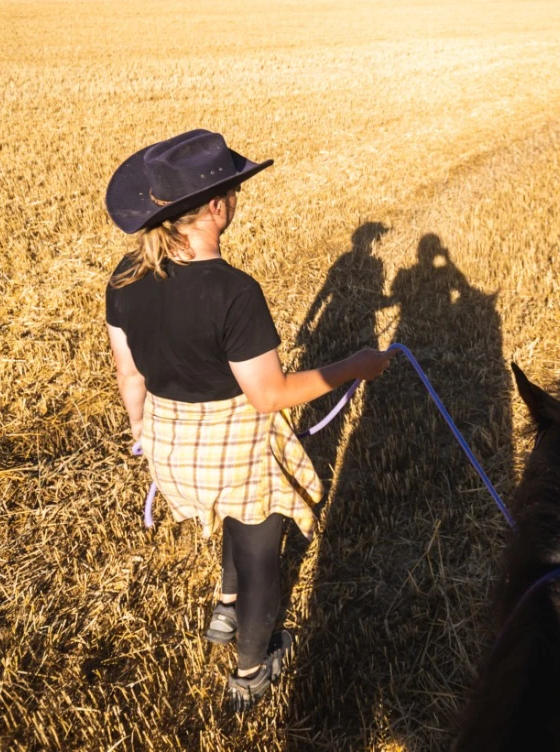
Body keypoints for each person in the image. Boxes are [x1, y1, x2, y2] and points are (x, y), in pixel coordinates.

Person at [103, 129, 393, 712]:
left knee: (229, 512)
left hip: (167, 441)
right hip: (233, 439)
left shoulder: (123, 279)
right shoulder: (235, 293)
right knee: (261, 542)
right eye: (232, 190)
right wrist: (356, 365)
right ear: (215, 207)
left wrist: (142, 432)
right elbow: (268, 396)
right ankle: (252, 668)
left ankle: (224, 606)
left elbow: (130, 377)